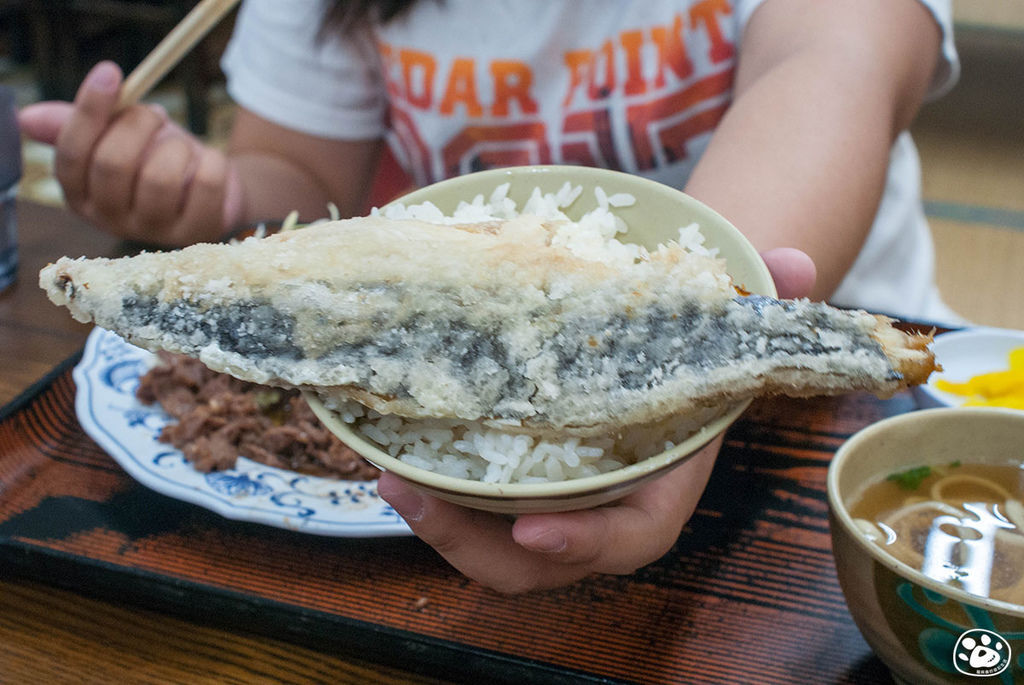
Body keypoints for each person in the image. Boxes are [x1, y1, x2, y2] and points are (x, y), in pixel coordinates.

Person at [19, 0, 959, 593]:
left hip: (851, 417)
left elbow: (837, 62)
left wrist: (696, 354)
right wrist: (208, 197)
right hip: (440, 471)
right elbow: (298, 176)